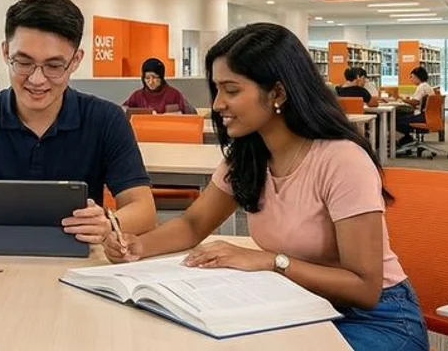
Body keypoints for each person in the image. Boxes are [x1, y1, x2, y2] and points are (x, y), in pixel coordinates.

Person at [102, 23, 426, 350]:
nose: (217, 104)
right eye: (217, 90)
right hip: (298, 305)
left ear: (278, 93)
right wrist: (138, 246)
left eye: (231, 90)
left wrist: (272, 261)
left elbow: (365, 288)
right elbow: (192, 224)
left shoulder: (342, 160)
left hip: (376, 317)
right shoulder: (247, 155)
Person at [0, 0, 156, 242]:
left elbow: (144, 209)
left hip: (78, 262)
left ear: (76, 60)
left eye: (54, 66)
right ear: (5, 52)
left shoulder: (105, 119)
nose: (37, 79)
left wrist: (109, 224)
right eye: (23, 62)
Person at [123, 57, 196, 114]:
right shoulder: (137, 96)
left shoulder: (174, 95)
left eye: (155, 77)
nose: (151, 82)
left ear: (161, 77)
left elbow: (192, 115)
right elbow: (123, 111)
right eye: (147, 78)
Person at [393, 67, 435, 150]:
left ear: (417, 77)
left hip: (422, 116)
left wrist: (402, 99)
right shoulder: (426, 86)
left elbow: (416, 102)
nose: (411, 79)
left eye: (412, 77)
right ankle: (407, 139)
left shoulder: (422, 87)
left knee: (395, 120)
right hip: (427, 116)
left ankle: (406, 140)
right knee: (402, 116)